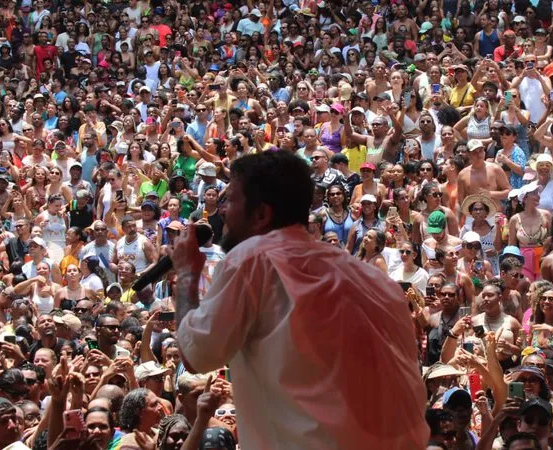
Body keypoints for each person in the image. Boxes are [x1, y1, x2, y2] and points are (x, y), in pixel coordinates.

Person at [172, 151, 428, 448]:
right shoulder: (373, 280)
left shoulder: (253, 257)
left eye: (231, 200)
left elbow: (196, 354)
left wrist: (188, 274)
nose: (223, 211)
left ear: (261, 214)